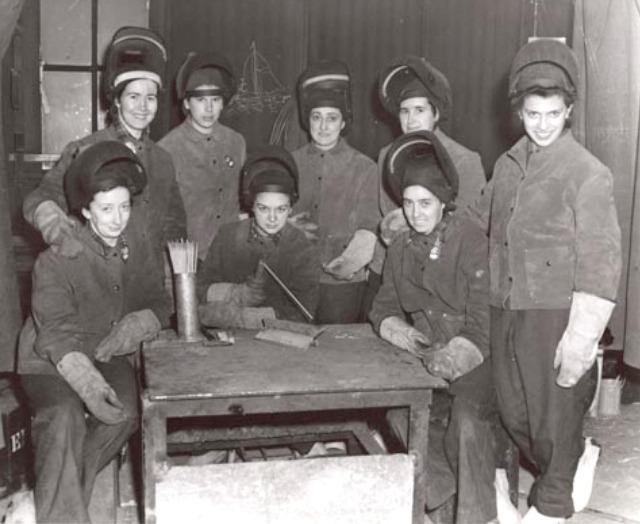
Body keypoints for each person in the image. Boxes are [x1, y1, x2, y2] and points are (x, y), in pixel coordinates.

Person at [469, 40, 622, 523]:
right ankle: (578, 453)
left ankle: (553, 504)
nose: (542, 124)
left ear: (569, 109)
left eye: (552, 113)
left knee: (554, 414)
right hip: (505, 306)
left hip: (555, 313)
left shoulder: (588, 173)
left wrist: (581, 338)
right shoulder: (508, 166)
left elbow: (601, 260)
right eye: (532, 113)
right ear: (518, 112)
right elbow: (483, 224)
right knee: (516, 414)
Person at [17, 141, 173, 523]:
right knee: (63, 415)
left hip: (105, 352)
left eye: (124, 206)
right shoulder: (59, 255)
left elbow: (160, 300)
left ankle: (49, 504)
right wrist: (86, 382)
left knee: (124, 414)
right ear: (85, 211)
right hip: (50, 358)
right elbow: (53, 332)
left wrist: (143, 321)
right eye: (106, 209)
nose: (118, 218)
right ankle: (63, 516)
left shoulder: (137, 243)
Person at [369, 130, 496, 523]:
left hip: (476, 358)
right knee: (398, 414)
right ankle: (443, 501)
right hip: (426, 356)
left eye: (425, 203)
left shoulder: (471, 240)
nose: (415, 213)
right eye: (407, 204)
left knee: (467, 421)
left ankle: (477, 517)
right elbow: (381, 309)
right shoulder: (401, 247)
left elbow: (481, 321)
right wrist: (408, 337)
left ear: (444, 203)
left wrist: (450, 359)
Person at [22, 26, 186, 269]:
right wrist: (60, 234)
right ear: (117, 100)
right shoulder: (85, 150)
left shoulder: (163, 159)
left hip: (148, 286)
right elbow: (40, 199)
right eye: (133, 96)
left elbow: (175, 225)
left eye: (150, 98)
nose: (143, 106)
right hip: (97, 276)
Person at [365, 57, 486, 315]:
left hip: (442, 277)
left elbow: (473, 225)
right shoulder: (387, 155)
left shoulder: (465, 159)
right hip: (391, 267)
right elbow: (384, 212)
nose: (410, 120)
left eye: (420, 110)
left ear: (436, 113)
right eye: (404, 111)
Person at [291, 60, 380, 324]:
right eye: (316, 117)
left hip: (342, 286)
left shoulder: (365, 167)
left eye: (332, 118)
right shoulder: (290, 162)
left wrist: (348, 265)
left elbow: (368, 225)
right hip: (295, 277)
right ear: (307, 121)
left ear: (343, 123)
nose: (323, 126)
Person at [198, 145, 320, 327]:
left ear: (291, 208)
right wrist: (233, 292)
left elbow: (304, 311)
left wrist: (244, 317)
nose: (272, 218)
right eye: (263, 208)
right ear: (251, 206)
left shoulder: (301, 248)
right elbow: (199, 291)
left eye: (281, 209)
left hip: (281, 340)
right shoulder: (227, 236)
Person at [159, 52, 247, 258]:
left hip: (231, 253)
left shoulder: (236, 142)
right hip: (189, 257)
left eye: (215, 99)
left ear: (223, 102)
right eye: (200, 99)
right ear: (187, 103)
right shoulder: (167, 149)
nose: (209, 108)